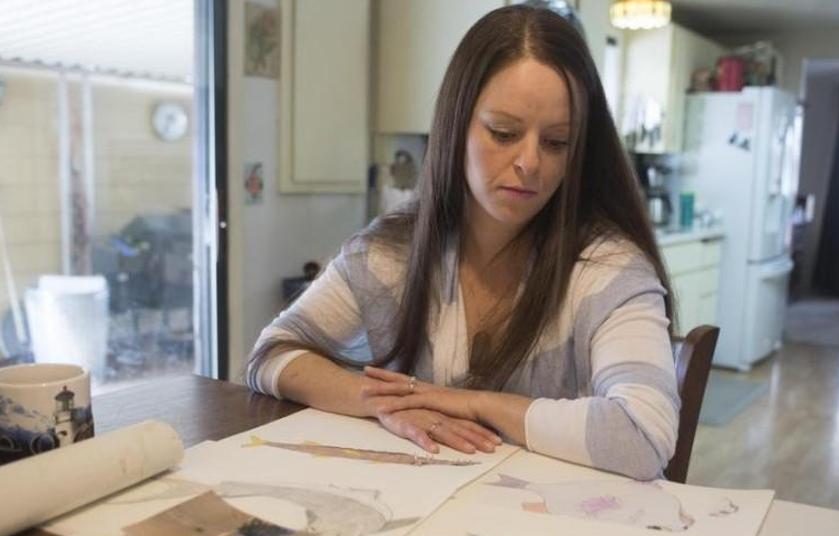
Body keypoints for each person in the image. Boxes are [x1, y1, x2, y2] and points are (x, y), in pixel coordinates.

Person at [247, 5, 678, 480]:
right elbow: (272, 354)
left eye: (557, 142)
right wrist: (384, 405)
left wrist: (470, 403)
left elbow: (641, 437)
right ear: (456, 125)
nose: (530, 162)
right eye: (504, 133)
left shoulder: (607, 269)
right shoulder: (392, 252)